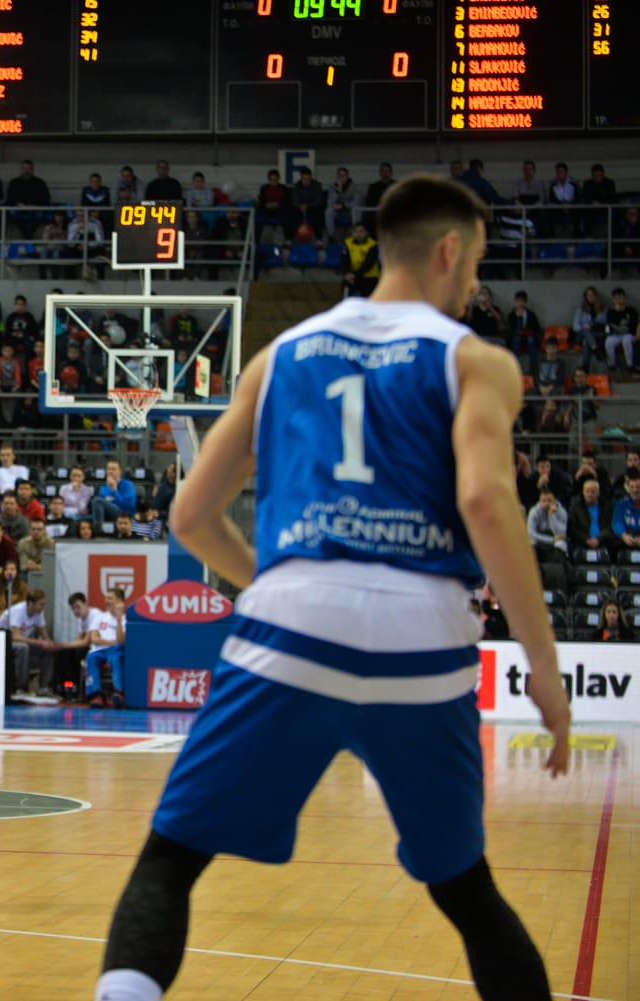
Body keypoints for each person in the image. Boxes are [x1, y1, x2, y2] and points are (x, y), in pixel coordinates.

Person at [96, 175, 570, 1001]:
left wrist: (285, 583)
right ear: (449, 250)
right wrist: (545, 666)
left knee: (171, 859)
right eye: (475, 266)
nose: (473, 286)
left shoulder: (281, 355)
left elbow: (192, 516)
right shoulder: (475, 360)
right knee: (466, 887)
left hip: (292, 626)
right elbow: (488, 502)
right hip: (426, 639)